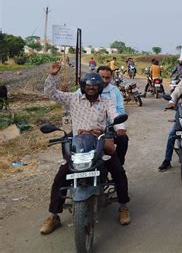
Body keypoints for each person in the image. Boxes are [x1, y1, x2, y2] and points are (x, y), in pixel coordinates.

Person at [40, 62, 131, 235]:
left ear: (100, 87)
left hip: (100, 143)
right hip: (79, 145)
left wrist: (120, 128)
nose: (92, 88)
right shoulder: (73, 99)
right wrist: (52, 75)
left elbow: (115, 114)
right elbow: (51, 93)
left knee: (118, 170)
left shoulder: (106, 101)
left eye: (95, 86)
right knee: (61, 176)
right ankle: (53, 216)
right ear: (83, 86)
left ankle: (123, 206)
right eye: (88, 86)